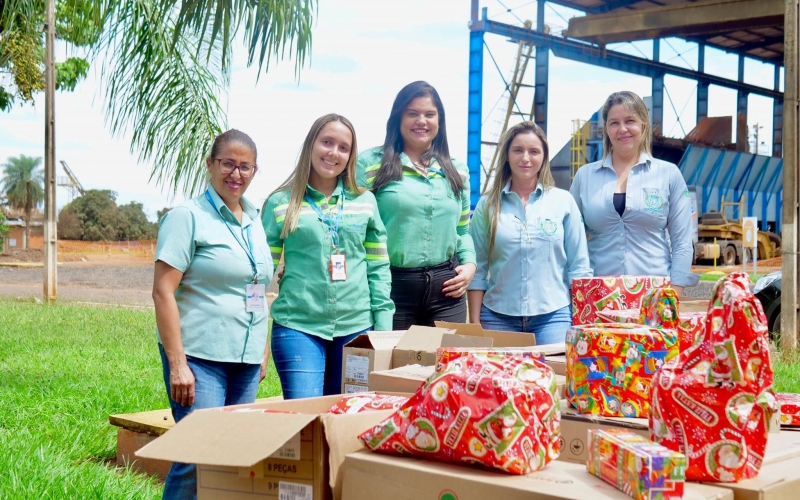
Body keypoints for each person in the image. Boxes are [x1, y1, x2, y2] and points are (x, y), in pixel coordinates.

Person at [152, 129, 272, 500]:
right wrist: (177, 363)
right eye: (228, 164)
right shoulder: (188, 217)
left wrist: (261, 349)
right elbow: (162, 291)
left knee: (230, 457)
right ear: (210, 164)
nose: (236, 174)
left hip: (245, 359)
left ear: (254, 171)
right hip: (200, 357)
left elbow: (257, 287)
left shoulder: (254, 220)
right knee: (195, 455)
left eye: (245, 167)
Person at [263, 114, 394, 399]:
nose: (334, 153)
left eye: (343, 147)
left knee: (346, 417)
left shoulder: (365, 202)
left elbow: (378, 267)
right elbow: (260, 274)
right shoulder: (280, 203)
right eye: (327, 142)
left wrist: (383, 328)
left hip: (357, 328)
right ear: (311, 145)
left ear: (350, 156)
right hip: (297, 327)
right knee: (306, 418)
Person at [357, 81, 476, 329]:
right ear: (398, 118)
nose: (421, 121)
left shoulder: (457, 170)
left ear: (439, 121)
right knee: (391, 365)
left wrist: (470, 265)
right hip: (390, 286)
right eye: (412, 113)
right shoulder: (369, 165)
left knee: (447, 366)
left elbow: (462, 231)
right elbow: (354, 229)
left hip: (447, 290)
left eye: (429, 114)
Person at [467, 121, 591, 344]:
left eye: (534, 151)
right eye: (518, 150)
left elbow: (579, 266)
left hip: (553, 317)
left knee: (556, 377)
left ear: (543, 157)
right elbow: (477, 266)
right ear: (506, 155)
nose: (525, 158)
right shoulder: (487, 205)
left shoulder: (563, 202)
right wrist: (475, 323)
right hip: (497, 317)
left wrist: (581, 319)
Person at [570, 91, 699, 294]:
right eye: (614, 123)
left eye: (630, 120)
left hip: (654, 296)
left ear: (643, 126)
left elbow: (682, 242)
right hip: (599, 296)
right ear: (606, 129)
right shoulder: (585, 177)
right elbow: (571, 241)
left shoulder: (668, 174)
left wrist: (674, 292)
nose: (622, 129)